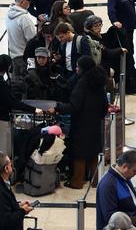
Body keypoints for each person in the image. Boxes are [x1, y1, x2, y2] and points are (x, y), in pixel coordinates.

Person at [53, 55, 107, 188]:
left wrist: (57, 108)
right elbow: (104, 105)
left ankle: (77, 181)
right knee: (94, 152)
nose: (76, 69)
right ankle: (95, 180)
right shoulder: (98, 82)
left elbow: (74, 106)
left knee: (79, 153)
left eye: (78, 67)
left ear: (83, 69)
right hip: (95, 123)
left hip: (81, 123)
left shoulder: (82, 84)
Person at [0, 55, 37, 168]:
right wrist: (33, 109)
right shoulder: (0, 83)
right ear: (8, 67)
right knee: (2, 152)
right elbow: (12, 102)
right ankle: (3, 180)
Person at [0, 152, 35, 230]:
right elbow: (6, 221)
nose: (12, 166)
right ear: (6, 169)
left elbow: (3, 207)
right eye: (10, 164)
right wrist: (23, 211)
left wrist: (17, 206)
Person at [6, 0, 38, 77]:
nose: (30, 3)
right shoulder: (24, 18)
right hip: (23, 57)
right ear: (22, 2)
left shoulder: (9, 14)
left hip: (13, 55)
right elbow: (32, 39)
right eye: (28, 1)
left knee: (15, 83)